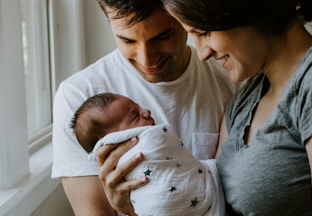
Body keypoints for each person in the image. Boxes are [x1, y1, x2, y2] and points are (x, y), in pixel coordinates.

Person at [96, 0, 312, 215]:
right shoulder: (247, 97)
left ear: (245, 8)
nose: (203, 53)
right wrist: (135, 208)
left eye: (204, 33)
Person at [51, 0, 237, 215]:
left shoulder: (231, 82)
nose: (146, 59)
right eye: (127, 40)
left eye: (163, 36)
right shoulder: (78, 98)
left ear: (184, 16)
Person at [71, 92, 226, 216]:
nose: (146, 111)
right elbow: (163, 136)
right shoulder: (74, 92)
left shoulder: (221, 84)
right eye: (134, 116)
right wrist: (129, 210)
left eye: (139, 107)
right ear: (115, 140)